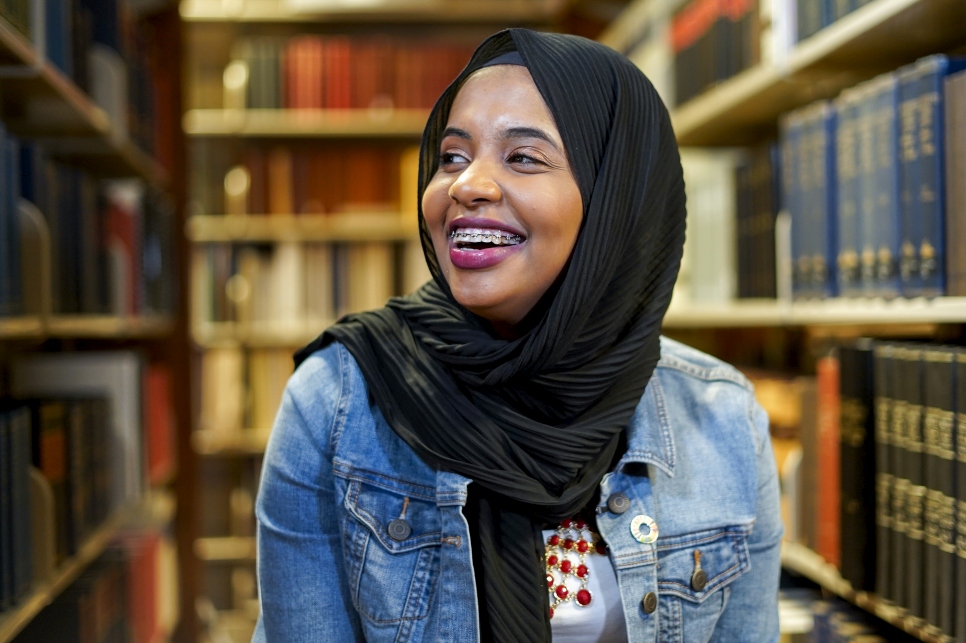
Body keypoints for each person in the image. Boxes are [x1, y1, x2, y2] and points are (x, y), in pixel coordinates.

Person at [252, 28, 781, 643]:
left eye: (524, 157)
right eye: (452, 156)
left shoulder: (723, 421)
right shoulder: (335, 404)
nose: (466, 185)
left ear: (616, 201)